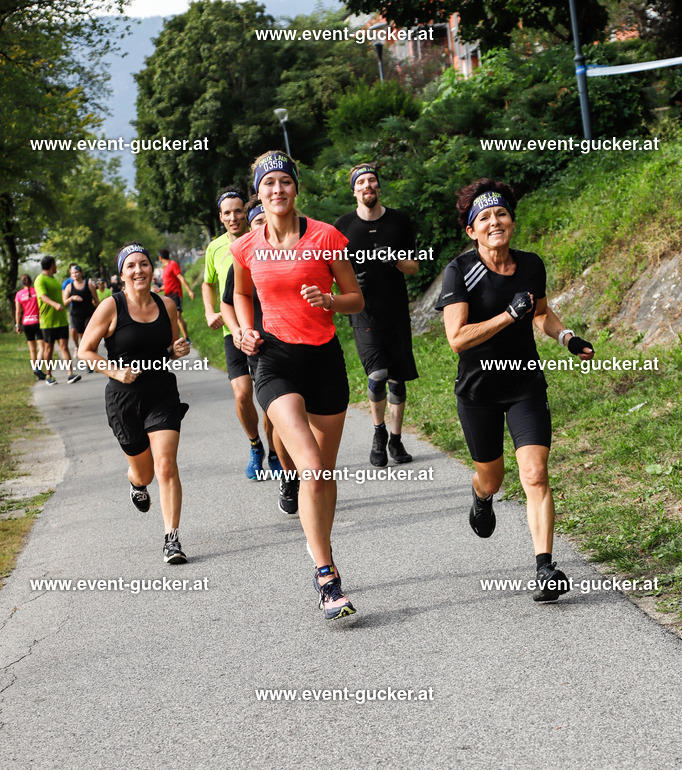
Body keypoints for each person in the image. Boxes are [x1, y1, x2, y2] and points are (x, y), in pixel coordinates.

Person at [437, 178, 595, 601]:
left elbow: (541, 314)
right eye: (484, 217)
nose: (495, 221)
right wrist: (508, 315)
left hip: (524, 383)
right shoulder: (460, 271)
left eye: (501, 213)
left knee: (535, 474)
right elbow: (457, 338)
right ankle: (480, 495)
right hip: (478, 392)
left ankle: (545, 569)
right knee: (494, 478)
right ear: (471, 230)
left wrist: (568, 339)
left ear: (512, 221)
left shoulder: (530, 265)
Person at [232, 150, 364, 620]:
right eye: (268, 184)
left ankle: (320, 549)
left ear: (295, 187)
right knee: (310, 465)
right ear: (259, 192)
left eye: (285, 182)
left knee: (324, 475)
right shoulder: (247, 245)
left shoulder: (327, 237)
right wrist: (243, 329)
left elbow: (355, 298)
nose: (277, 190)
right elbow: (242, 294)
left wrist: (328, 298)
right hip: (274, 361)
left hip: (324, 361)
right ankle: (327, 576)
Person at [78, 242, 191, 564]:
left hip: (162, 394)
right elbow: (84, 350)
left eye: (143, 264)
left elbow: (166, 348)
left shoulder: (166, 304)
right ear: (122, 274)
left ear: (151, 269)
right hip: (124, 399)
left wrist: (176, 351)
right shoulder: (110, 307)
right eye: (131, 265)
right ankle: (135, 481)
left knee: (166, 465)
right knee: (146, 473)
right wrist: (114, 370)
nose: (138, 270)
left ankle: (172, 538)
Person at [335, 163, 419, 467]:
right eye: (361, 182)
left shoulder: (399, 221)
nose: (367, 186)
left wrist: (395, 260)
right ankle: (378, 432)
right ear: (354, 190)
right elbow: (330, 272)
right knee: (377, 375)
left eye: (372, 181)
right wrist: (348, 283)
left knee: (397, 378)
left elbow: (414, 266)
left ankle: (396, 440)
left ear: (378, 188)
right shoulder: (342, 226)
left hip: (396, 310)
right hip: (363, 312)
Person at [220, 197, 294, 509]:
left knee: (295, 418)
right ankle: (284, 472)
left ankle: (288, 463)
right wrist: (239, 331)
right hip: (259, 346)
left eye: (268, 221)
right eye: (258, 223)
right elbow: (228, 299)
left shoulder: (296, 251)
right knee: (277, 414)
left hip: (298, 342)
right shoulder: (244, 259)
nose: (265, 228)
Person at [202, 187, 273, 480]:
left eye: (238, 211)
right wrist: (209, 312)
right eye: (227, 213)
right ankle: (256, 445)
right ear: (220, 217)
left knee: (269, 396)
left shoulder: (262, 237)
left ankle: (277, 451)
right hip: (233, 331)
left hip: (265, 328)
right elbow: (208, 283)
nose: (234, 217)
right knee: (243, 394)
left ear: (247, 212)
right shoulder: (216, 248)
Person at [34, 256, 81, 385]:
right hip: (48, 321)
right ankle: (49, 375)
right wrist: (54, 305)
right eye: (55, 265)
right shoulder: (40, 280)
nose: (56, 267)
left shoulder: (55, 279)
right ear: (51, 265)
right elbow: (42, 297)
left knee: (64, 347)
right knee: (49, 349)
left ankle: (70, 374)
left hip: (61, 321)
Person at [64, 264, 99, 372]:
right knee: (81, 337)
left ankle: (93, 362)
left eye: (77, 272)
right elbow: (64, 302)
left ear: (81, 273)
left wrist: (100, 313)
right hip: (76, 315)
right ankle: (86, 357)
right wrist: (72, 298)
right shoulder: (69, 287)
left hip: (89, 314)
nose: (75, 275)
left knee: (90, 338)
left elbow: (96, 300)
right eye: (73, 273)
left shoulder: (88, 284)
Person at [159, 248, 194, 344]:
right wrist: (160, 289)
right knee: (171, 318)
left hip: (176, 293)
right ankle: (176, 340)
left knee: (178, 316)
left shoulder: (173, 264)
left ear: (160, 257)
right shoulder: (164, 268)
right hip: (168, 296)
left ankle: (186, 338)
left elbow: (181, 278)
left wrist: (190, 291)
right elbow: (167, 284)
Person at [15, 274, 46, 380]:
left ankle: (35, 370)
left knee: (32, 350)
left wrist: (17, 324)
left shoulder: (19, 294)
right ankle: (38, 368)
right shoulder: (36, 291)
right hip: (37, 322)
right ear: (31, 281)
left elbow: (18, 311)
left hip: (26, 323)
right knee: (42, 347)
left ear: (22, 283)